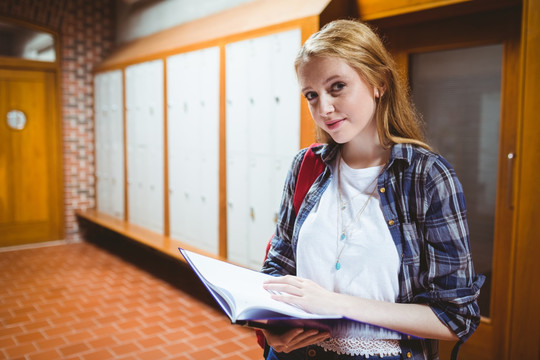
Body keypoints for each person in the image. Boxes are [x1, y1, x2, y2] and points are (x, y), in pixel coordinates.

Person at [260, 19, 484, 360]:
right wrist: (269, 324)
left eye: (337, 87)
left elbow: (455, 318)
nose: (324, 109)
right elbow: (277, 263)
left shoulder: (427, 177)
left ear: (378, 82)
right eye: (311, 95)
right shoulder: (307, 165)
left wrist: (335, 305)